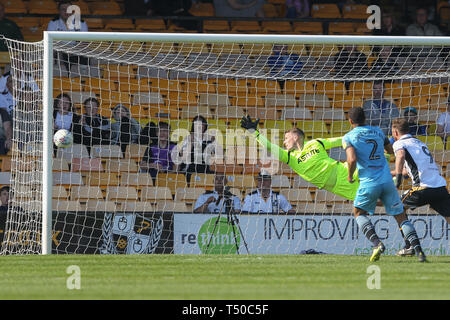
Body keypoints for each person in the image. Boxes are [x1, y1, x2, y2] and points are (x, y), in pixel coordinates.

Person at [343, 107, 426, 262]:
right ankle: (419, 252)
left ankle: (377, 244)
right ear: (365, 119)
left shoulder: (348, 137)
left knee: (358, 212)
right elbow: (390, 150)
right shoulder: (378, 131)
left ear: (350, 121)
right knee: (401, 217)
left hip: (369, 182)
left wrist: (349, 176)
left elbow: (352, 159)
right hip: (387, 180)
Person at [240, 115, 359, 201]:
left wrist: (360, 133)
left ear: (296, 136)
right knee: (372, 201)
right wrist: (253, 132)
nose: (284, 142)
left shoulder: (316, 143)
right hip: (339, 187)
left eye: (286, 138)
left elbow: (341, 140)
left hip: (346, 171)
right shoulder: (289, 157)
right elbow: (269, 146)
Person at [391, 118, 450, 256]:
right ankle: (410, 247)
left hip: (423, 188)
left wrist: (397, 180)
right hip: (440, 187)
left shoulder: (399, 143)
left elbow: (400, 156)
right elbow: (409, 170)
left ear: (395, 132)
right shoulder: (418, 142)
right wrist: (390, 173)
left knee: (396, 208)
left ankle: (410, 246)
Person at [47, 1, 89, 71]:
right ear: (59, 11)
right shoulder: (53, 23)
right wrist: (64, 49)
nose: (66, 12)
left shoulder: (81, 22)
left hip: (77, 50)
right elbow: (50, 41)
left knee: (86, 52)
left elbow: (84, 41)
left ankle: (83, 74)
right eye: (63, 9)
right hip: (60, 50)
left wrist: (74, 50)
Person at [178, 115, 215, 185]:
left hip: (206, 166)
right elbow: (183, 157)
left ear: (205, 126)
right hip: (192, 166)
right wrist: (191, 143)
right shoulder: (188, 138)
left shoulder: (210, 139)